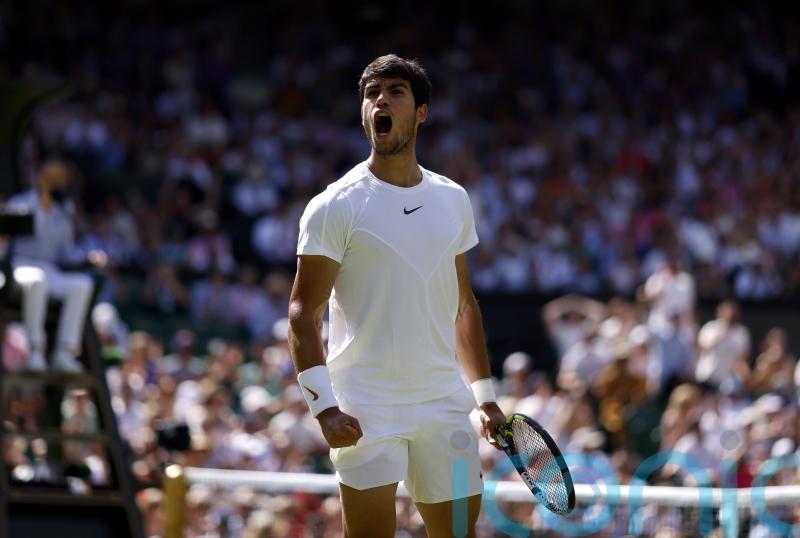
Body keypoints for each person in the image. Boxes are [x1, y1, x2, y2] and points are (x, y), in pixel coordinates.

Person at [287, 54, 505, 538]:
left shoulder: (454, 199)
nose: (380, 100)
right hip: (365, 407)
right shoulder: (332, 206)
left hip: (444, 404)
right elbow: (304, 315)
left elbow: (464, 305)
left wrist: (485, 398)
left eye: (395, 91)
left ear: (420, 112)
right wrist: (324, 407)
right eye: (371, 93)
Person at [7, 161, 99, 372]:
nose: (57, 183)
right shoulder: (20, 204)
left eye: (61, 179)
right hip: (20, 266)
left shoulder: (65, 210)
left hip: (50, 269)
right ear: (41, 179)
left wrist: (87, 257)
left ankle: (64, 352)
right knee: (37, 279)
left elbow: (66, 251)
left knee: (82, 284)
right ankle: (35, 351)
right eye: (52, 178)